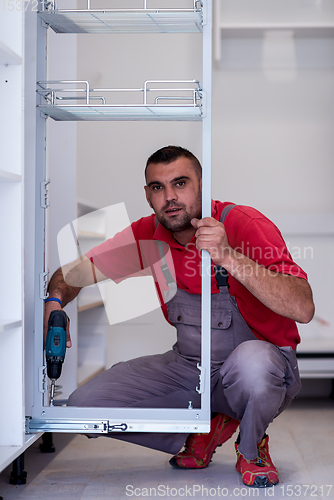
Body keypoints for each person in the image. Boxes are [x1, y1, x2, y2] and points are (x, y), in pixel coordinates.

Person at [44, 145, 315, 488]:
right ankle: (203, 429)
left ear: (203, 184)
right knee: (85, 406)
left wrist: (228, 256)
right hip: (191, 366)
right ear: (147, 195)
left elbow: (303, 308)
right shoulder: (148, 234)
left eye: (181, 183)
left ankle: (252, 446)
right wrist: (54, 302)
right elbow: (75, 273)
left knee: (254, 365)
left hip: (259, 366)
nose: (170, 197)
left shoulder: (244, 224)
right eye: (158, 187)